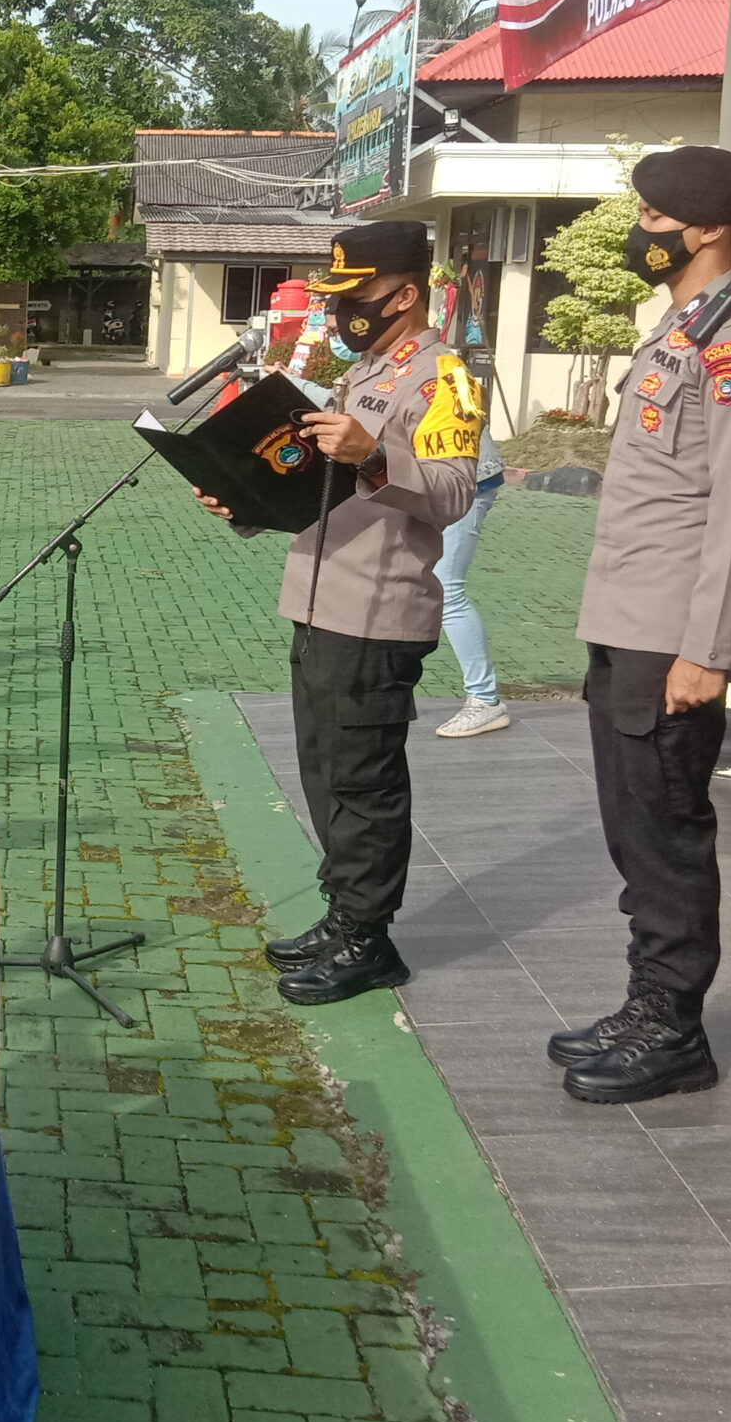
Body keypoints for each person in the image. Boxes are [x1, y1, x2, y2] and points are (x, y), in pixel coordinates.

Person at [552, 146, 731, 1105]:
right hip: (627, 615)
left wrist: (711, 649)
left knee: (668, 831)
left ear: (708, 230)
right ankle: (645, 998)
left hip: (673, 635)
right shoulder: (682, 326)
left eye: (655, 217)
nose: (639, 231)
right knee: (632, 827)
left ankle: (674, 1030)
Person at [197, 221, 480, 1007]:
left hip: (378, 612)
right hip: (321, 600)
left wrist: (377, 456)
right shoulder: (362, 375)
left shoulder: (442, 378)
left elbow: (454, 494)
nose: (344, 312)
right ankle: (344, 912)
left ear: (405, 294)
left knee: (364, 782)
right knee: (325, 773)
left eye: (356, 297)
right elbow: (315, 489)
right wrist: (246, 506)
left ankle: (370, 938)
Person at [433, 421, 512, 737]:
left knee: (446, 589)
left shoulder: (439, 372)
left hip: (464, 478)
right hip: (437, 477)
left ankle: (484, 699)